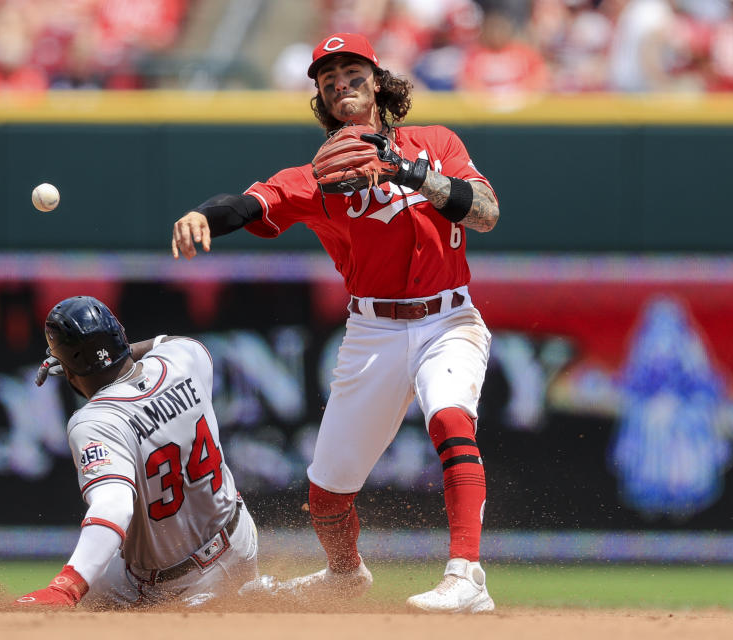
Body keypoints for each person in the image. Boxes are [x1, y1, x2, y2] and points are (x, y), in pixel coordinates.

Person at [171, 33, 499, 613]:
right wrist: (202, 214)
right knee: (325, 495)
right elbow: (250, 204)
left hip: (448, 319)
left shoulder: (435, 143)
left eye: (352, 73)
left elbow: (486, 212)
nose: (341, 84)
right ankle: (345, 575)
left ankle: (466, 575)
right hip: (373, 331)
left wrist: (407, 171)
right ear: (322, 100)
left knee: (450, 419)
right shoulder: (316, 178)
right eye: (329, 80)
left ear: (377, 82)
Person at [13, 295, 258, 609]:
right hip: (238, 540)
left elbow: (114, 506)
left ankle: (222, 602)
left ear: (70, 374)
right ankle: (252, 595)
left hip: (172, 584)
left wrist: (66, 587)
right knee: (103, 579)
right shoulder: (185, 356)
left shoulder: (94, 421)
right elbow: (163, 343)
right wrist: (111, 351)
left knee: (80, 607)